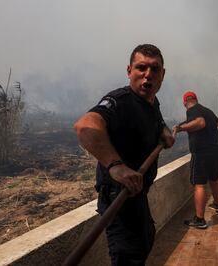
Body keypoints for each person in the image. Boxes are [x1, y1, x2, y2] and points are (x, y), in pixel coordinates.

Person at [74, 44, 174, 266]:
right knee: (128, 257)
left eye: (154, 69)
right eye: (141, 68)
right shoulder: (121, 101)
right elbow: (85, 125)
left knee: (146, 240)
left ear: (162, 74)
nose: (148, 74)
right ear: (129, 71)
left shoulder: (151, 101)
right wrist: (115, 166)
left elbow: (156, 119)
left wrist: (164, 130)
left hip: (137, 193)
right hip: (118, 197)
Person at [172, 91, 218, 229]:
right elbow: (217, 122)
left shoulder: (192, 110)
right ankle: (217, 205)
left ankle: (200, 219)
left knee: (199, 185)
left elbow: (200, 122)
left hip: (202, 152)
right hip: (217, 150)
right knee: (214, 179)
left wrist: (181, 128)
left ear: (185, 102)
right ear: (196, 99)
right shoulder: (206, 110)